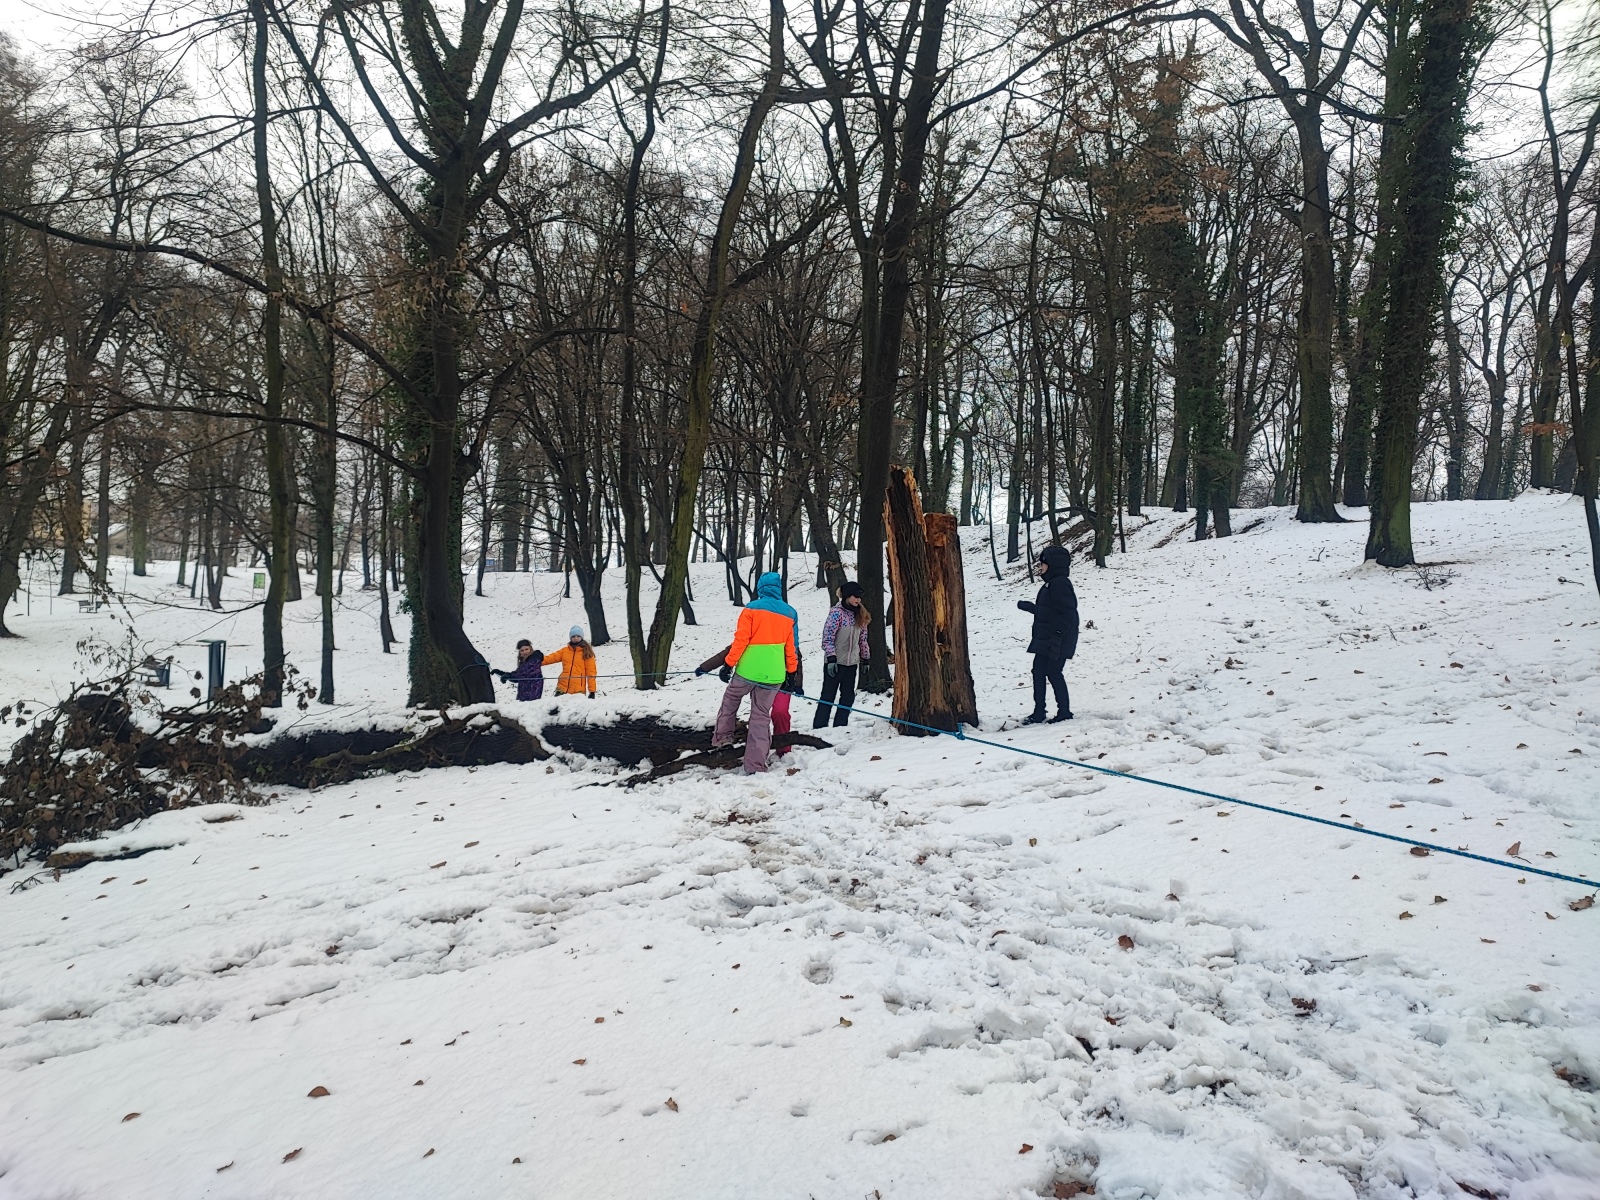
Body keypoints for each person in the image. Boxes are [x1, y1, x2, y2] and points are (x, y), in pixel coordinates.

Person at [709, 571, 799, 774]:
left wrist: (728, 664)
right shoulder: (789, 613)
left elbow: (741, 640)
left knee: (731, 699)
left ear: (760, 588)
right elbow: (790, 647)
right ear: (779, 589)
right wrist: (791, 672)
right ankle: (755, 765)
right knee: (761, 716)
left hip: (748, 670)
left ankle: (723, 737)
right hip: (774, 674)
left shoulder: (751, 609)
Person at [698, 641, 803, 758]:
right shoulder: (756, 634)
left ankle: (783, 749)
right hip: (758, 678)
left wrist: (797, 683)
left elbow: (795, 656)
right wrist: (705, 667)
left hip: (783, 681)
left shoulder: (787, 633)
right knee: (759, 714)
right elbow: (732, 649)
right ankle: (757, 751)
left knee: (780, 712)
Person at [1017, 544, 1078, 724]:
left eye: (1044, 563)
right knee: (1038, 671)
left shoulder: (1060, 583)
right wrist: (1032, 608)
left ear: (1053, 564)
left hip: (1058, 639)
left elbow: (1068, 612)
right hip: (1047, 638)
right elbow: (1050, 612)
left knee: (1053, 672)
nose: (1041, 566)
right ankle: (1039, 712)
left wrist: (1059, 633)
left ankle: (1064, 712)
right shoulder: (1050, 584)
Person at [813, 581, 870, 728]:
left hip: (851, 664)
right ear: (847, 596)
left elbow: (862, 640)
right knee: (828, 695)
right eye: (855, 596)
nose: (858, 599)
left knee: (848, 697)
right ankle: (819, 726)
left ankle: (840, 726)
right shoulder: (837, 613)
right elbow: (828, 637)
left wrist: (865, 658)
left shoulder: (860, 615)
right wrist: (831, 658)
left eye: (860, 597)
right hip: (835, 662)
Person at [545, 626, 598, 698]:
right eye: (573, 636)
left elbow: (591, 672)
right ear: (570, 638)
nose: (576, 638)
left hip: (577, 689)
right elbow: (551, 658)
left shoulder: (586, 652)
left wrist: (592, 691)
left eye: (578, 636)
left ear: (581, 637)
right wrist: (536, 660)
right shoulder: (565, 651)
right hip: (562, 687)